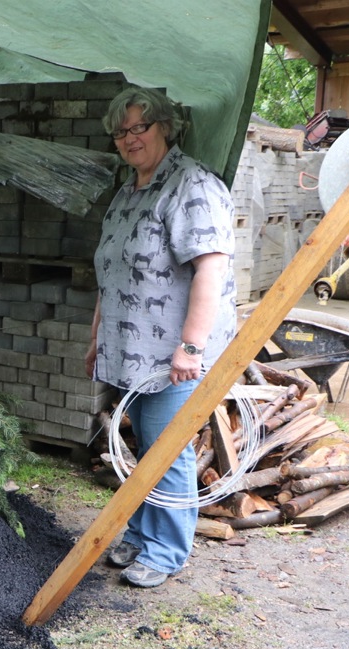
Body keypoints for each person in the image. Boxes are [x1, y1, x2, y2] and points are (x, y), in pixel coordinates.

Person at [85, 86, 236, 588]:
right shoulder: (128, 190)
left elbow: (210, 269)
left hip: (176, 353)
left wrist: (191, 346)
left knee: (166, 451)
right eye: (120, 132)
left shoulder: (190, 185)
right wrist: (96, 340)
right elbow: (112, 274)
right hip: (133, 352)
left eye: (139, 128)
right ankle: (141, 532)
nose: (129, 139)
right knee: (146, 446)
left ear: (165, 128)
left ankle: (167, 551)